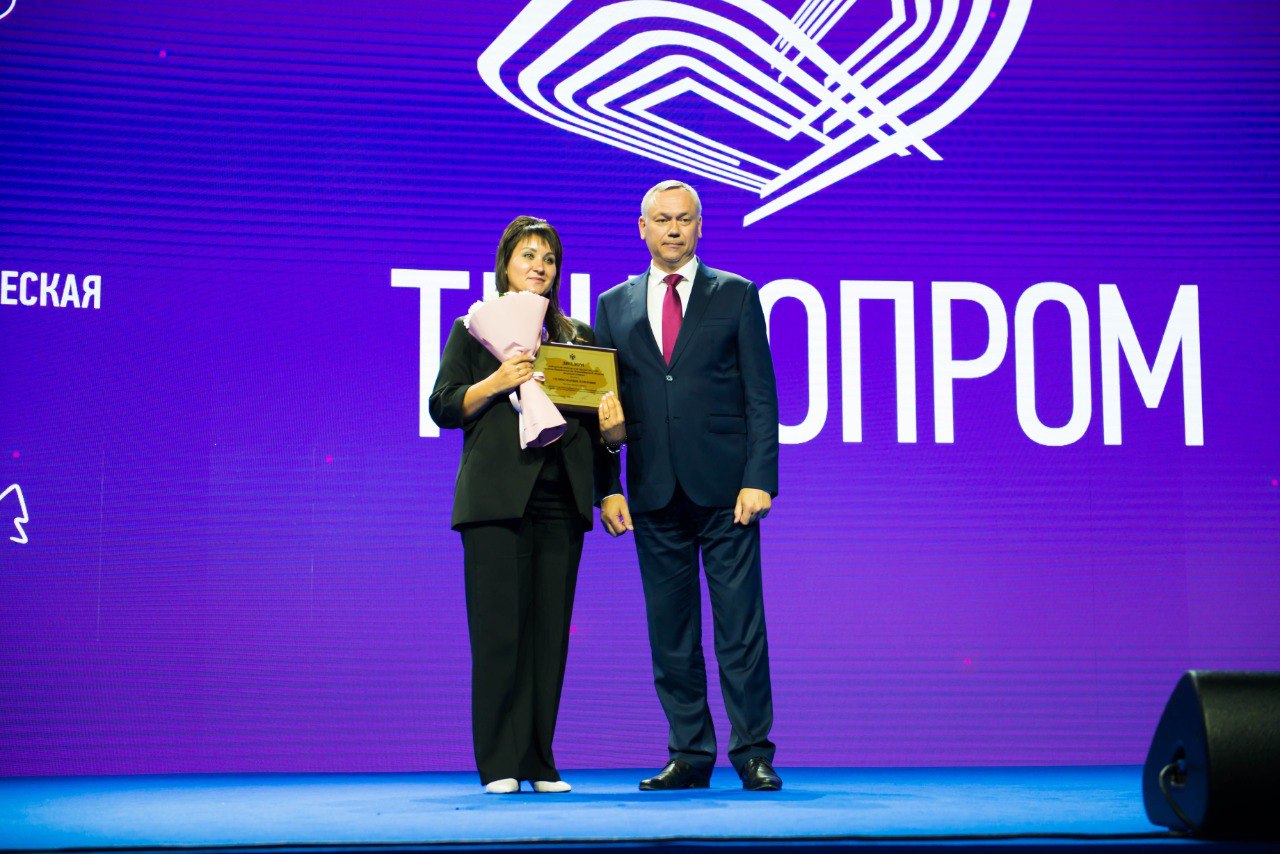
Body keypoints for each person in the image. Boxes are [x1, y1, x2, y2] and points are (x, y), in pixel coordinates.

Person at [593, 180, 782, 791]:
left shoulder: (737, 294)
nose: (673, 229)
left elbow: (760, 395)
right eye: (662, 219)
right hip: (652, 491)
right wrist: (608, 486)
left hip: (728, 494)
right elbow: (603, 408)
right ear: (642, 228)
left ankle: (753, 753)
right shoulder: (613, 304)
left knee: (740, 631)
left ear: (699, 227)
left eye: (684, 219)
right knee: (671, 636)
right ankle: (690, 754)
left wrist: (759, 478)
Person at [429, 215, 626, 794]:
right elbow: (443, 406)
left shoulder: (578, 340)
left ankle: (538, 761)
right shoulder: (473, 329)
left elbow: (599, 431)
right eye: (528, 255)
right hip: (495, 501)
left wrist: (612, 462)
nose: (539, 266)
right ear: (506, 265)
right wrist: (496, 382)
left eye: (549, 258)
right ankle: (499, 764)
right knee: (499, 635)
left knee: (548, 637)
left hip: (561, 499)